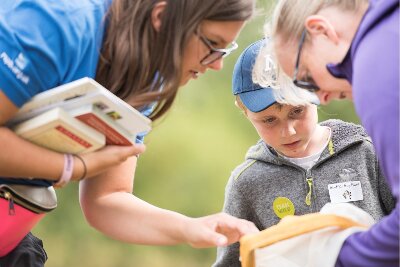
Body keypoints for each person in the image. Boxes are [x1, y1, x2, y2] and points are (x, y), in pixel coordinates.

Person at [0, 0, 260, 265]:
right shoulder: (58, 25)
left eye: (224, 50)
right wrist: (71, 166)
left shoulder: (143, 77)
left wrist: (190, 228)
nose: (217, 64)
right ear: (161, 16)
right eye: (211, 44)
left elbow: (106, 199)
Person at [212, 38, 395, 267]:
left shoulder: (368, 153)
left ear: (317, 93)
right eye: (269, 120)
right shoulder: (245, 183)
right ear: (244, 111)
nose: (288, 131)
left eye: (297, 111)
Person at [253, 0, 399, 266]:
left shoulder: (374, 66)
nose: (323, 96)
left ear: (321, 30)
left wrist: (333, 255)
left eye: (306, 78)